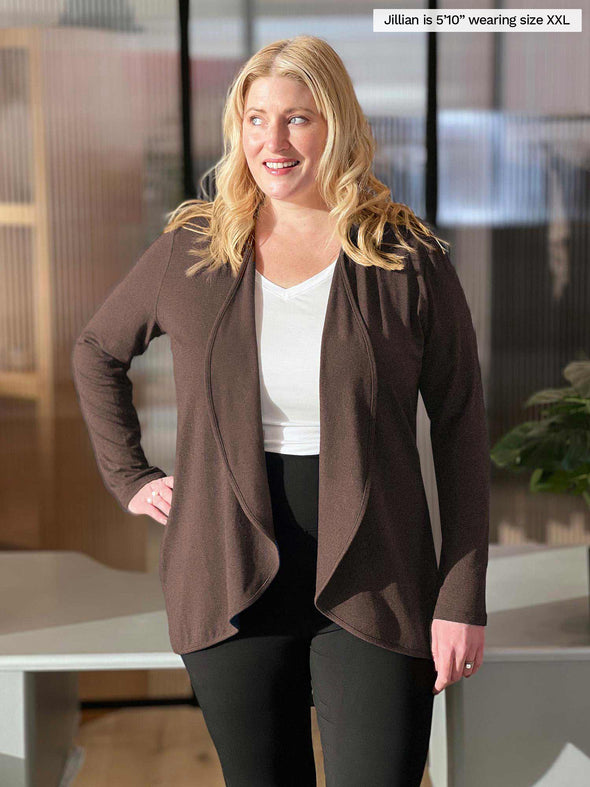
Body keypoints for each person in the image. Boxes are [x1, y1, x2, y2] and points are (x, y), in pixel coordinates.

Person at [71, 34, 490, 787]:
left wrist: (462, 596)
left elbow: (460, 426)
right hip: (227, 570)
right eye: (256, 117)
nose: (273, 140)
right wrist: (129, 475)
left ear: (337, 125)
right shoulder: (194, 247)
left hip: (378, 573)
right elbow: (98, 350)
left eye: (297, 118)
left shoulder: (406, 258)